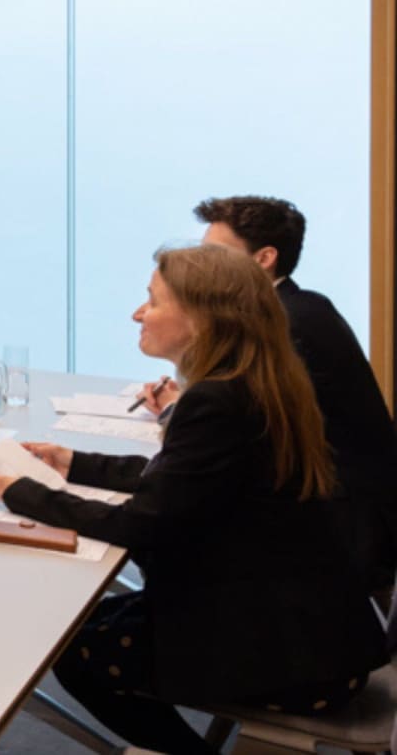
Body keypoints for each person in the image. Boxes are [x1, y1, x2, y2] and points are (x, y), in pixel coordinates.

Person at [0, 244, 385, 755]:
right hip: (317, 631)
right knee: (82, 624)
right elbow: (181, 480)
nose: (138, 314)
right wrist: (74, 463)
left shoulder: (216, 400)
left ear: (202, 319)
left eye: (152, 301)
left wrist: (23, 494)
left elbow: (143, 525)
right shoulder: (260, 380)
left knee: (75, 652)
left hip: (288, 657)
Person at [142, 195, 397, 591]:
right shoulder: (300, 306)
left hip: (339, 528)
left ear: (264, 259)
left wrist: (179, 412)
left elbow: (251, 436)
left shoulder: (287, 324)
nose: (204, 266)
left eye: (216, 253)